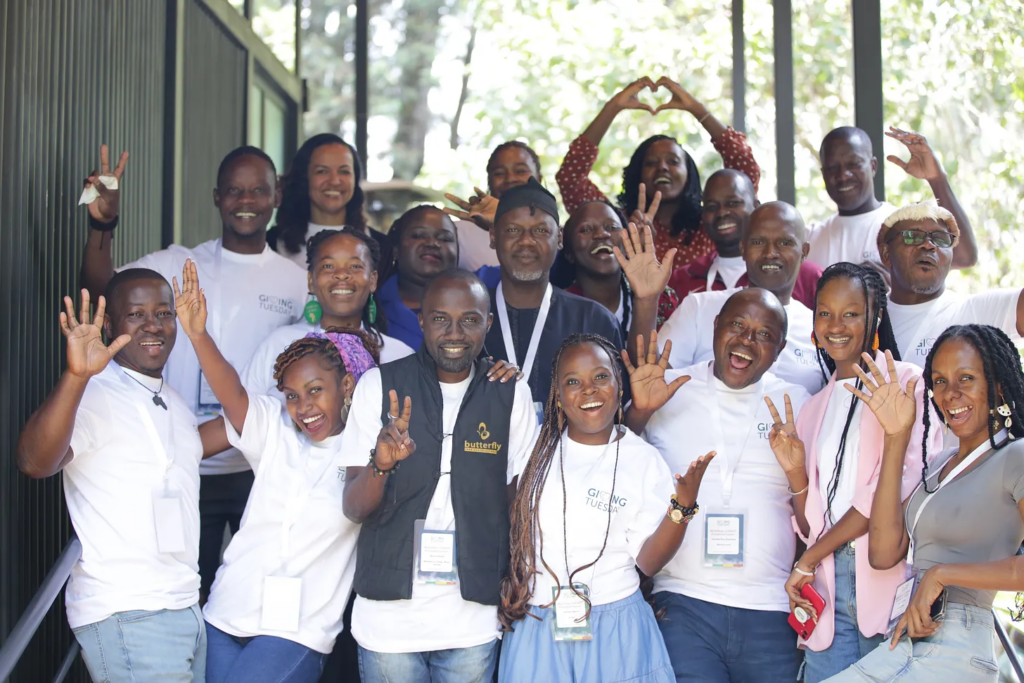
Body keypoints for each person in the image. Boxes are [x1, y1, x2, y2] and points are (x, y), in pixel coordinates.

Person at [79, 144, 308, 602]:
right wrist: (102, 224)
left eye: (258, 190)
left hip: (258, 469)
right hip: (184, 466)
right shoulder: (177, 264)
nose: (246, 200)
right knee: (187, 591)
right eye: (234, 191)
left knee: (252, 596)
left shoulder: (296, 280)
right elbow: (102, 290)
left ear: (277, 195)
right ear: (216, 197)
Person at [172, 260, 377, 682]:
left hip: (297, 630)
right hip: (226, 612)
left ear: (349, 388)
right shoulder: (275, 429)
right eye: (291, 395)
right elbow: (233, 394)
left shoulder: (368, 453)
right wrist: (196, 334)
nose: (303, 407)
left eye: (315, 391)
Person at [338, 269, 537, 683]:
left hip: (472, 617)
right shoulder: (380, 386)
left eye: (469, 319)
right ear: (421, 320)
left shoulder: (509, 391)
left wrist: (518, 580)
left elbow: (520, 503)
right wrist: (382, 463)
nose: (455, 332)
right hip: (389, 619)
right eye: (441, 318)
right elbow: (354, 508)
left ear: (488, 323)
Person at [16, 276, 206, 682]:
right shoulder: (93, 393)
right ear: (109, 327)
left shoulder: (170, 399)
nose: (152, 325)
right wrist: (77, 376)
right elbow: (35, 461)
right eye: (136, 315)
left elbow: (200, 445)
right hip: (129, 611)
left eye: (163, 314)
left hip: (184, 603)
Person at [762, 263, 941, 682]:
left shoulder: (908, 385)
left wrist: (810, 557)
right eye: (825, 313)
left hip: (890, 579)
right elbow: (811, 526)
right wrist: (795, 475)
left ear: (874, 315)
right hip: (827, 587)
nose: (835, 325)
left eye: (851, 313)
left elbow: (891, 491)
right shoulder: (813, 407)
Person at [627, 288, 813, 683]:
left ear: (779, 350)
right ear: (715, 327)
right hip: (683, 603)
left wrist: (797, 475)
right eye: (738, 325)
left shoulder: (796, 404)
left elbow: (814, 522)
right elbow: (618, 470)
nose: (746, 340)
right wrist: (638, 414)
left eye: (764, 335)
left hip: (771, 608)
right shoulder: (668, 390)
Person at [498, 331, 703, 683]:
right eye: (573, 381)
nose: (588, 390)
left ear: (620, 388)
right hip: (538, 620)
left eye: (601, 377)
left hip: (616, 623)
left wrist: (681, 507)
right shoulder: (532, 449)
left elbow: (649, 561)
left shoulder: (643, 459)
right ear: (558, 397)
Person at [824, 326, 1024, 681]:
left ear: (996, 385)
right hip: (904, 637)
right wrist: (896, 436)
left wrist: (941, 575)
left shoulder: (1016, 456)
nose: (952, 394)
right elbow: (883, 553)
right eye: (941, 381)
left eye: (966, 378)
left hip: (956, 645)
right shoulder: (941, 465)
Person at [556, 77, 760, 265]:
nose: (662, 167)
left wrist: (699, 111)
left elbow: (744, 172)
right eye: (651, 163)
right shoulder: (618, 225)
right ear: (638, 175)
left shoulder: (709, 224)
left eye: (673, 161)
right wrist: (612, 108)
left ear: (689, 174)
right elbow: (570, 178)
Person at [651, 201, 824, 394]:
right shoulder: (699, 306)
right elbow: (656, 375)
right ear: (743, 249)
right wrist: (646, 300)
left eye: (785, 242)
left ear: (804, 252)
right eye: (758, 242)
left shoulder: (819, 328)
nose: (770, 253)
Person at [483, 178, 624, 411]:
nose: (526, 241)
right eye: (512, 230)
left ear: (559, 238)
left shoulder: (594, 320)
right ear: (493, 237)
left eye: (540, 230)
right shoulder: (467, 318)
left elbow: (618, 411)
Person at [239, 227, 413, 402]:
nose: (342, 275)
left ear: (373, 281)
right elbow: (242, 415)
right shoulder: (279, 344)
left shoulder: (400, 356)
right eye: (328, 266)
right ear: (311, 281)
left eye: (355, 266)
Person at [807, 126, 977, 273]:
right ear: (823, 174)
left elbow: (964, 257)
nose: (843, 175)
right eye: (832, 168)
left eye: (854, 164)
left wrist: (936, 178)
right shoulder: (808, 239)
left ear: (873, 166)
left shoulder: (903, 225)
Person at [878, 200, 1023, 366]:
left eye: (940, 238)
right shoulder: (866, 318)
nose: (928, 245)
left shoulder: (977, 310)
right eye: (913, 236)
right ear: (886, 254)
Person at [669, 169, 822, 308]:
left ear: (756, 206)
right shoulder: (683, 278)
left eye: (733, 203)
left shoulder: (808, 277)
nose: (722, 213)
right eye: (711, 206)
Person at [267, 133, 392, 277]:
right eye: (322, 171)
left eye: (344, 171)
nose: (334, 181)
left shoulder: (382, 246)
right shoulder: (271, 243)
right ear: (304, 177)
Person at [560, 190, 679, 335]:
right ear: (569, 252)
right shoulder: (558, 311)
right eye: (586, 229)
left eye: (612, 227)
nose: (602, 234)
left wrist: (647, 300)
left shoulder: (661, 299)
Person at [444, 140, 544, 271]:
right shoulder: (458, 234)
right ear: (489, 182)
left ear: (539, 179)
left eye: (520, 171)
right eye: (499, 173)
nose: (510, 179)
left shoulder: (558, 233)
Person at [374, 205, 461, 350]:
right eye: (418, 235)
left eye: (445, 238)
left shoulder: (483, 290)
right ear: (396, 249)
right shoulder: (371, 306)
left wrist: (494, 222)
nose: (432, 243)